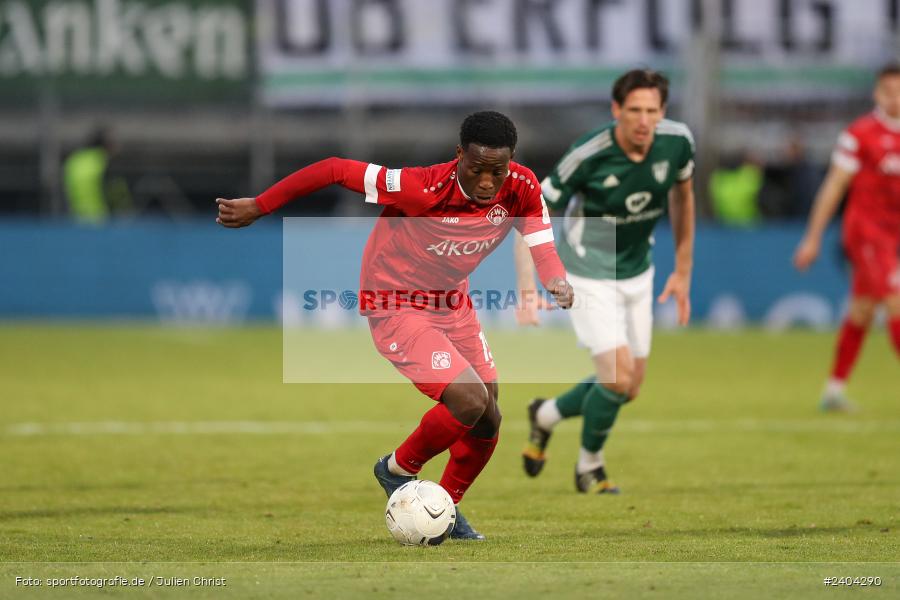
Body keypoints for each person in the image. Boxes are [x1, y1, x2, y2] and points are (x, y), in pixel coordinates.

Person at [216, 111, 574, 539]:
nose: (485, 182)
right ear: (459, 155)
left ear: (511, 162)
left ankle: (445, 509)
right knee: (468, 400)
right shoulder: (420, 187)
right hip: (395, 303)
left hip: (452, 302)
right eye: (476, 169)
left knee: (489, 417)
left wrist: (556, 280)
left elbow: (542, 245)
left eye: (496, 171)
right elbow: (334, 168)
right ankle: (396, 470)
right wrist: (261, 205)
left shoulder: (522, 186)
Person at [515, 69, 696, 494]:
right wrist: (528, 288)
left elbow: (683, 197)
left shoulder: (678, 142)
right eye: (634, 110)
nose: (643, 120)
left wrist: (683, 270)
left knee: (629, 387)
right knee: (617, 378)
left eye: (652, 110)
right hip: (586, 272)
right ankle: (589, 467)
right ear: (617, 110)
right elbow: (532, 215)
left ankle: (546, 415)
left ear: (662, 112)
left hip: (638, 270)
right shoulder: (588, 153)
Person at [794, 64, 900, 412]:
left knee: (863, 310)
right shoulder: (860, 134)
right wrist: (812, 238)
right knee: (896, 301)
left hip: (894, 235)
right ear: (877, 93)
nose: (895, 97)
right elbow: (834, 186)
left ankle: (833, 391)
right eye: (889, 91)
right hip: (866, 233)